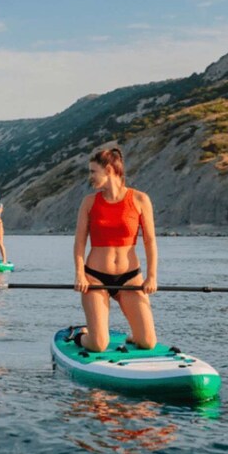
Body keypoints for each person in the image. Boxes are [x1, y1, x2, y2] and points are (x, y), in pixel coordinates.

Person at [73, 148, 158, 352]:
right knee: (98, 345)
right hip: (95, 279)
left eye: (94, 171)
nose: (90, 177)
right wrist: (79, 275)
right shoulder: (89, 202)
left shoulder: (140, 200)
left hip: (130, 278)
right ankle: (81, 336)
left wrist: (151, 277)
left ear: (109, 169)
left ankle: (133, 336)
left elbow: (150, 241)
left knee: (148, 342)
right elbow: (79, 243)